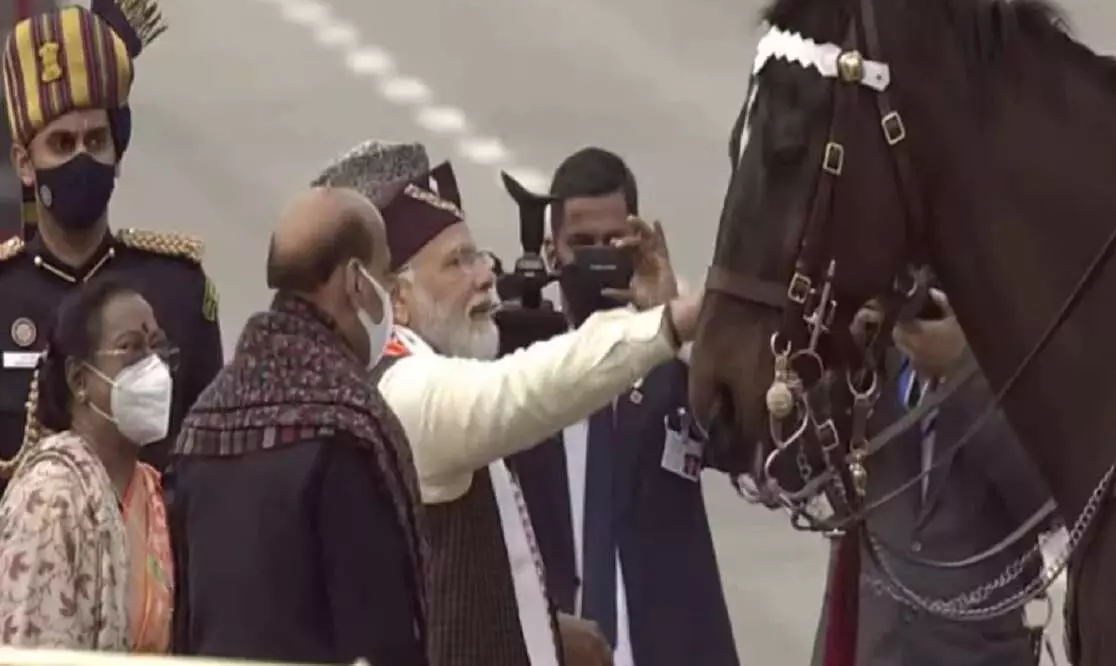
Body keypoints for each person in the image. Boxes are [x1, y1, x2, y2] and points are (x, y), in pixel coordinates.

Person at [314, 140, 701, 666]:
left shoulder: (419, 369)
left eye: (476, 254)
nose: (485, 275)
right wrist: (668, 323)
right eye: (458, 262)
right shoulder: (394, 391)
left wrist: (543, 629)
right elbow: (519, 393)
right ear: (396, 300)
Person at [167, 186, 428, 666]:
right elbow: (378, 632)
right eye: (385, 274)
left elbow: (185, 612)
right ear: (355, 280)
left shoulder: (203, 422)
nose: (390, 295)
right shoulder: (347, 427)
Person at [0, 0, 223, 486]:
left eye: (95, 140)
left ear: (117, 153)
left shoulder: (177, 291)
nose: (81, 157)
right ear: (25, 163)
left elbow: (212, 469)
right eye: (60, 143)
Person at [511, 147, 739, 666]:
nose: (596, 258)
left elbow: (745, 447)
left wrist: (669, 318)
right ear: (552, 254)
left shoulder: (669, 368)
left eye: (613, 243)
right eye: (581, 244)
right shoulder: (523, 375)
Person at [811, 289, 1058, 666]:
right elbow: (813, 482)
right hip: (869, 646)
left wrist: (961, 371)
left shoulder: (1023, 344)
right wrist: (839, 369)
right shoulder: (876, 350)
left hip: (977, 652)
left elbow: (1046, 502)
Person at [0, 274, 174, 651]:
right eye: (131, 349)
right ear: (80, 379)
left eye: (157, 348)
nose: (155, 369)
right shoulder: (50, 499)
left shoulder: (153, 491)